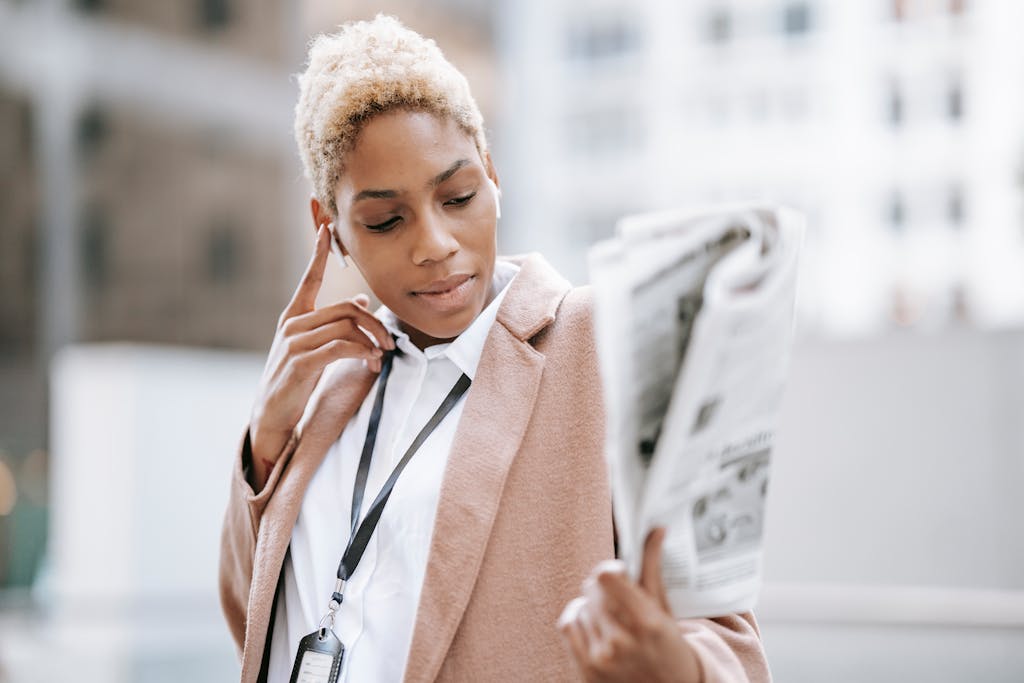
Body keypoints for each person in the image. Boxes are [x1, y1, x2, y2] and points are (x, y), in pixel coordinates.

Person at [218, 14, 770, 683]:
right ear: (329, 228)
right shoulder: (328, 382)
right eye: (385, 219)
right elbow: (253, 616)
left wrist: (675, 667)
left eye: (458, 195)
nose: (435, 244)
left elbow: (728, 645)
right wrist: (264, 440)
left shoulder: (604, 342)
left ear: (493, 174)